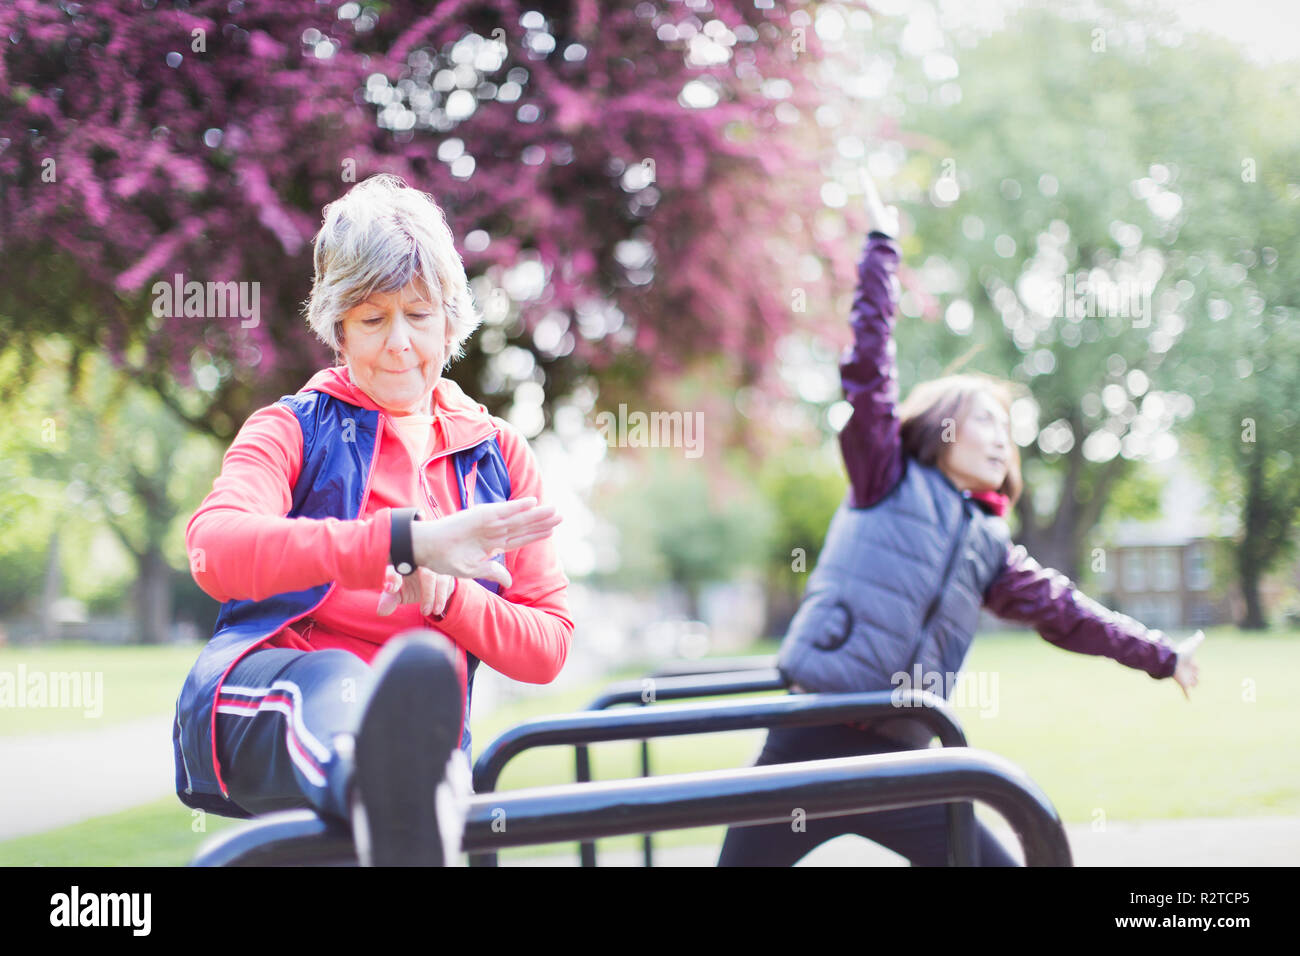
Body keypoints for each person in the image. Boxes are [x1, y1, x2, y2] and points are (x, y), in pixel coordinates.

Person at [717, 172, 1203, 867]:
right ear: (944, 428)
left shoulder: (988, 545)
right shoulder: (883, 472)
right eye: (984, 421)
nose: (1001, 439)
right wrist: (882, 252)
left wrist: (1163, 655)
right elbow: (868, 375)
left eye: (1009, 429)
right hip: (809, 742)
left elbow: (1067, 612)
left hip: (903, 762)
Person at [172, 173, 571, 866]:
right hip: (273, 703)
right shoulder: (289, 429)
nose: (399, 344)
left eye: (418, 315)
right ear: (338, 330)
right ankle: (384, 797)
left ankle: (402, 801)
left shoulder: (497, 452)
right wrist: (401, 543)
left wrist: (447, 594)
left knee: (416, 738)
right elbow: (213, 551)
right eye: (372, 319)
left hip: (427, 745)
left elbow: (548, 645)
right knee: (336, 680)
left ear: (450, 319)